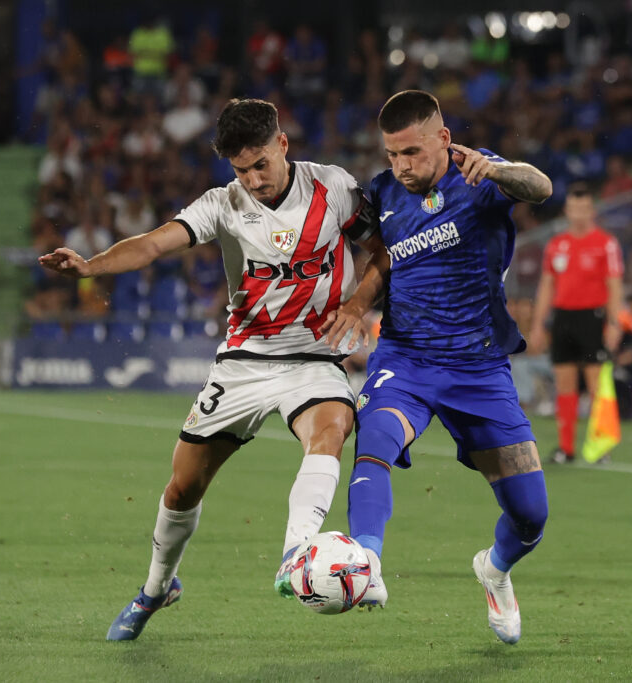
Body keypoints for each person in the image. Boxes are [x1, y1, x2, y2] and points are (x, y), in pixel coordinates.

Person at [38, 98, 390, 640]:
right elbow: (155, 243)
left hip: (314, 357)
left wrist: (358, 303)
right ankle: (157, 588)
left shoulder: (335, 189)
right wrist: (91, 266)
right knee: (182, 489)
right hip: (244, 361)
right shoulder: (222, 203)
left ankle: (296, 554)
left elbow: (383, 250)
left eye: (260, 165)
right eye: (241, 170)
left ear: (283, 145)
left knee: (332, 429)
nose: (252, 179)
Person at [345, 90, 552, 644]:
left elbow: (541, 187)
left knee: (531, 516)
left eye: (411, 152)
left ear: (443, 138)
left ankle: (495, 569)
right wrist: (357, 304)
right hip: (405, 357)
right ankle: (365, 562)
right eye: (392, 154)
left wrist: (504, 172)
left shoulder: (480, 176)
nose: (401, 166)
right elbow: (385, 257)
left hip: (478, 368)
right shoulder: (385, 192)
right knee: (376, 436)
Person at [528, 182, 623, 463]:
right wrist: (537, 324)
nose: (579, 213)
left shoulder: (606, 243)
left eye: (584, 208)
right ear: (567, 210)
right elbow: (546, 286)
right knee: (564, 384)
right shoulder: (557, 245)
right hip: (563, 317)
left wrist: (615, 322)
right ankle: (565, 448)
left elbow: (614, 285)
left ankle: (601, 447)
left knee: (597, 385)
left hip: (593, 317)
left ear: (592, 210)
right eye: (574, 208)